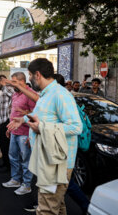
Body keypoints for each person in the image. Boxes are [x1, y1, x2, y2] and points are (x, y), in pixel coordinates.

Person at [8, 58, 82, 215]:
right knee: (57, 206)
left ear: (37, 74)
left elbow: (76, 127)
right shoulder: (45, 94)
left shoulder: (60, 95)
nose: (28, 79)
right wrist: (24, 119)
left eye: (29, 75)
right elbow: (42, 116)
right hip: (48, 160)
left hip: (56, 163)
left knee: (46, 209)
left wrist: (41, 128)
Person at [2, 72, 36, 196]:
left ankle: (26, 185)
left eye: (14, 81)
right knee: (13, 157)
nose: (12, 84)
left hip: (25, 132)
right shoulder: (15, 94)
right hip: (14, 131)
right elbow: (14, 113)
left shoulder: (30, 94)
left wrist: (26, 112)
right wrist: (10, 128)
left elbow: (37, 112)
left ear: (22, 81)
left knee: (26, 160)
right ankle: (15, 180)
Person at [0, 75, 15, 173]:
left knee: (5, 144)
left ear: (1, 81)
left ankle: (8, 166)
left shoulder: (8, 88)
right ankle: (5, 163)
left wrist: (4, 85)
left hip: (7, 120)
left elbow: (13, 95)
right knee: (3, 144)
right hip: (3, 119)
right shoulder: (4, 90)